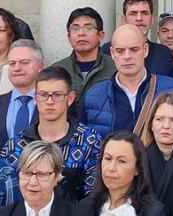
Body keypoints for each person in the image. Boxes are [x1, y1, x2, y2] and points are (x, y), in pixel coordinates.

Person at [6, 66, 104, 201]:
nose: (50, 101)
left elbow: (94, 196)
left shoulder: (90, 141)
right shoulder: (16, 145)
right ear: (35, 98)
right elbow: (8, 193)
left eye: (57, 95)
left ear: (70, 98)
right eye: (43, 95)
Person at [83, 24, 173, 141]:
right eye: (120, 51)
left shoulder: (171, 88)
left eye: (134, 50)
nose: (127, 56)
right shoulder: (94, 95)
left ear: (145, 50)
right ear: (112, 53)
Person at [102, 0, 173, 76]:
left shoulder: (163, 54)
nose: (139, 18)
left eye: (144, 13)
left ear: (152, 19)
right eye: (133, 13)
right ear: (124, 20)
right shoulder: (107, 51)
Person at [51, 7, 116, 100]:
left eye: (88, 28)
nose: (81, 33)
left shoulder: (115, 67)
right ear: (69, 36)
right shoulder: (57, 70)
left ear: (100, 35)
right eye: (75, 28)